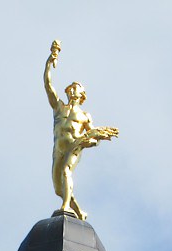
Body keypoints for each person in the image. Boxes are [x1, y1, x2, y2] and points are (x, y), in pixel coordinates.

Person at [44, 40, 119, 220]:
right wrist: (49, 62)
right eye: (70, 88)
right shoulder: (59, 107)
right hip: (58, 149)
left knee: (66, 172)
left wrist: (90, 141)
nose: (71, 89)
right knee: (57, 188)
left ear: (81, 94)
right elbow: (48, 85)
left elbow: (93, 136)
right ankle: (77, 210)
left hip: (74, 146)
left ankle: (65, 207)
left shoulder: (85, 116)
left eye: (75, 88)